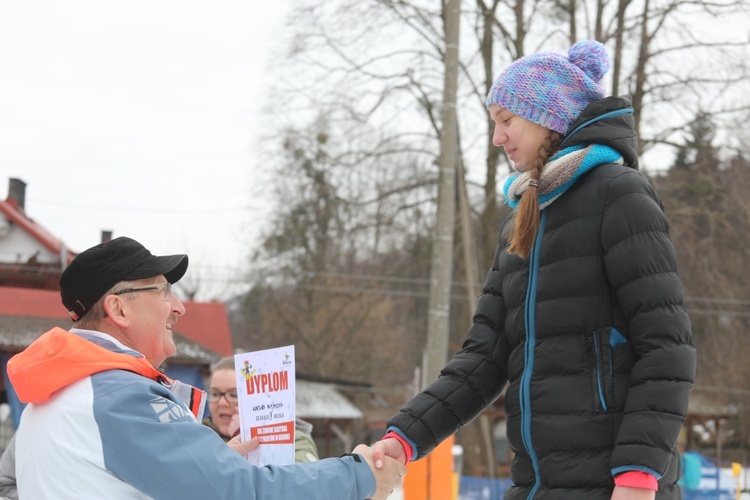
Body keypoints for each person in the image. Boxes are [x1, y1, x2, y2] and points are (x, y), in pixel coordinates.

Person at [373, 40, 696, 499]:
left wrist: (638, 475)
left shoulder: (620, 195)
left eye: (507, 121)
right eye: (494, 124)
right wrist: (404, 436)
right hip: (535, 487)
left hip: (615, 487)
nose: (497, 138)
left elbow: (667, 349)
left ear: (550, 118)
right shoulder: (521, 220)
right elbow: (484, 358)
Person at [7, 236, 405, 499]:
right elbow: (243, 493)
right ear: (118, 308)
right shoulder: (118, 397)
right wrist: (360, 476)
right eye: (162, 291)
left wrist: (204, 462)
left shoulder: (50, 395)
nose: (178, 306)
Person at [203, 356, 320, 463]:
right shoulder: (197, 438)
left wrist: (245, 434)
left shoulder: (293, 439)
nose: (222, 402)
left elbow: (297, 480)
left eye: (234, 395)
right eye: (215, 393)